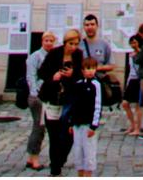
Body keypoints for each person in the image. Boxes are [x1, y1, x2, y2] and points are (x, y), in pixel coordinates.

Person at [37, 27, 84, 177]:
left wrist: (73, 73)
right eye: (71, 44)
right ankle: (55, 169)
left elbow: (82, 76)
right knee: (54, 135)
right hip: (52, 98)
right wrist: (54, 76)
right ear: (65, 43)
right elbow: (42, 72)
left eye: (76, 44)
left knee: (68, 134)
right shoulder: (54, 53)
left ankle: (60, 159)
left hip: (69, 100)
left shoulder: (78, 55)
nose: (73, 47)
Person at [24, 30, 56, 171]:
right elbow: (31, 77)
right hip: (37, 96)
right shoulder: (35, 56)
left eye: (51, 40)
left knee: (39, 127)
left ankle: (31, 158)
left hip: (47, 95)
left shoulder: (52, 56)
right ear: (42, 41)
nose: (48, 43)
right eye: (46, 40)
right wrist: (35, 93)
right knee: (39, 127)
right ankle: (35, 158)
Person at [70, 56, 103, 177]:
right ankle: (80, 174)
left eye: (93, 68)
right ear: (82, 70)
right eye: (87, 68)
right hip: (77, 123)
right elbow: (74, 104)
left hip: (88, 123)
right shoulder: (78, 84)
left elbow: (97, 104)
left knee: (89, 152)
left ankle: (88, 175)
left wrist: (93, 125)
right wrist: (71, 122)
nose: (90, 71)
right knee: (78, 151)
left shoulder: (96, 85)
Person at [80, 13, 115, 107]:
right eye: (87, 25)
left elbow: (111, 65)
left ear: (97, 26)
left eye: (92, 24)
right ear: (84, 27)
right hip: (82, 83)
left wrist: (96, 68)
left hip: (97, 82)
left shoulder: (104, 44)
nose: (89, 27)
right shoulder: (79, 45)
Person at [121, 35, 142, 136]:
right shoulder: (130, 55)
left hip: (139, 80)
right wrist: (127, 82)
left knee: (138, 105)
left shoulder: (141, 53)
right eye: (132, 43)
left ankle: (137, 128)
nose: (133, 45)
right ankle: (132, 125)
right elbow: (130, 70)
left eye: (135, 42)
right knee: (125, 103)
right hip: (132, 80)